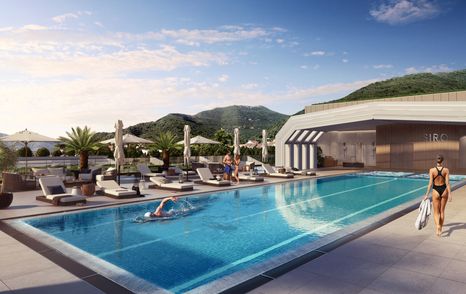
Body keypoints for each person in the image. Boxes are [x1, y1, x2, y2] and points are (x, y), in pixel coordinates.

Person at [423, 154, 451, 237]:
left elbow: (430, 183)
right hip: (444, 190)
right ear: (442, 160)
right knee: (442, 211)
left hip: (435, 191)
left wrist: (426, 195)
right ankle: (441, 229)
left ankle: (437, 227)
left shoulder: (432, 170)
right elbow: (448, 183)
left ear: (436, 160)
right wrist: (450, 194)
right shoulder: (446, 170)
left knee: (436, 212)